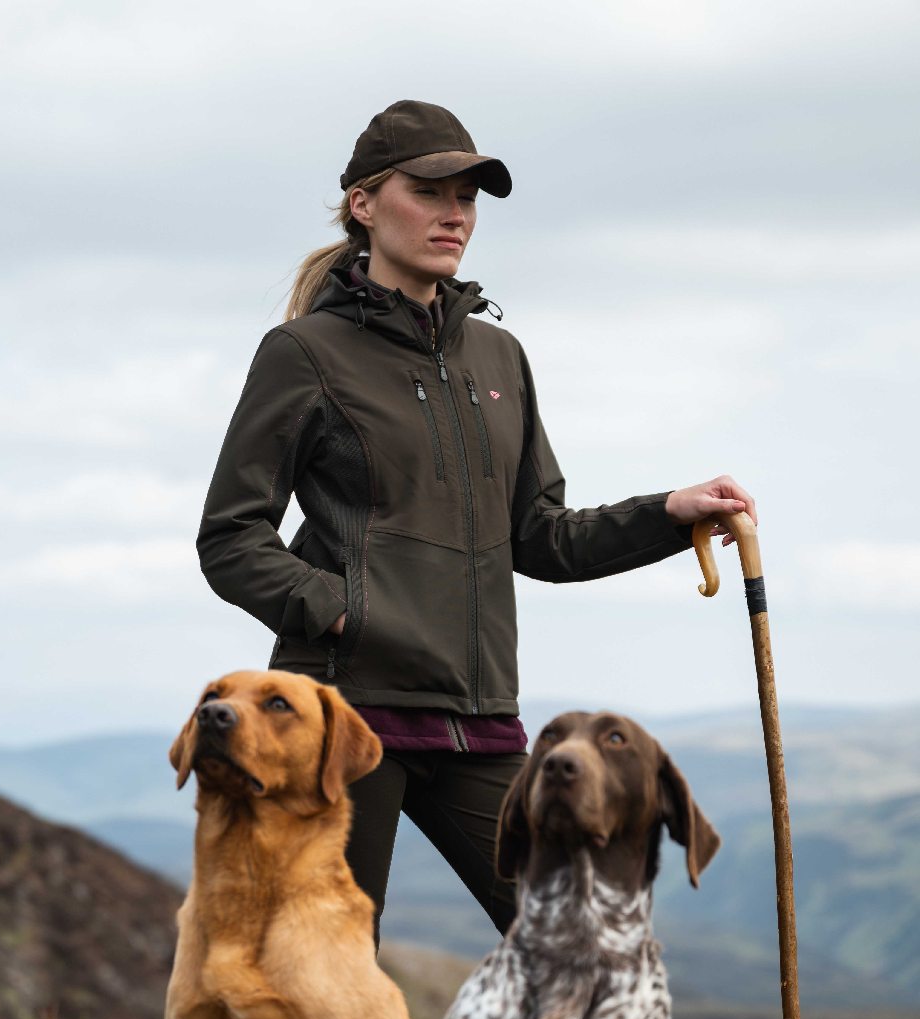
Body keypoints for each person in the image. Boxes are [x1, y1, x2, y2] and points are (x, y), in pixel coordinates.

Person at [197, 100, 756, 946]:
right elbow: (230, 538)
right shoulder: (305, 354)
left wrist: (669, 515)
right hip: (348, 718)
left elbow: (542, 536)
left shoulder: (498, 357)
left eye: (468, 196)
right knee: (324, 969)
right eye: (429, 191)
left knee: (582, 938)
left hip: (479, 716)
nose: (454, 213)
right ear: (364, 204)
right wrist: (349, 608)